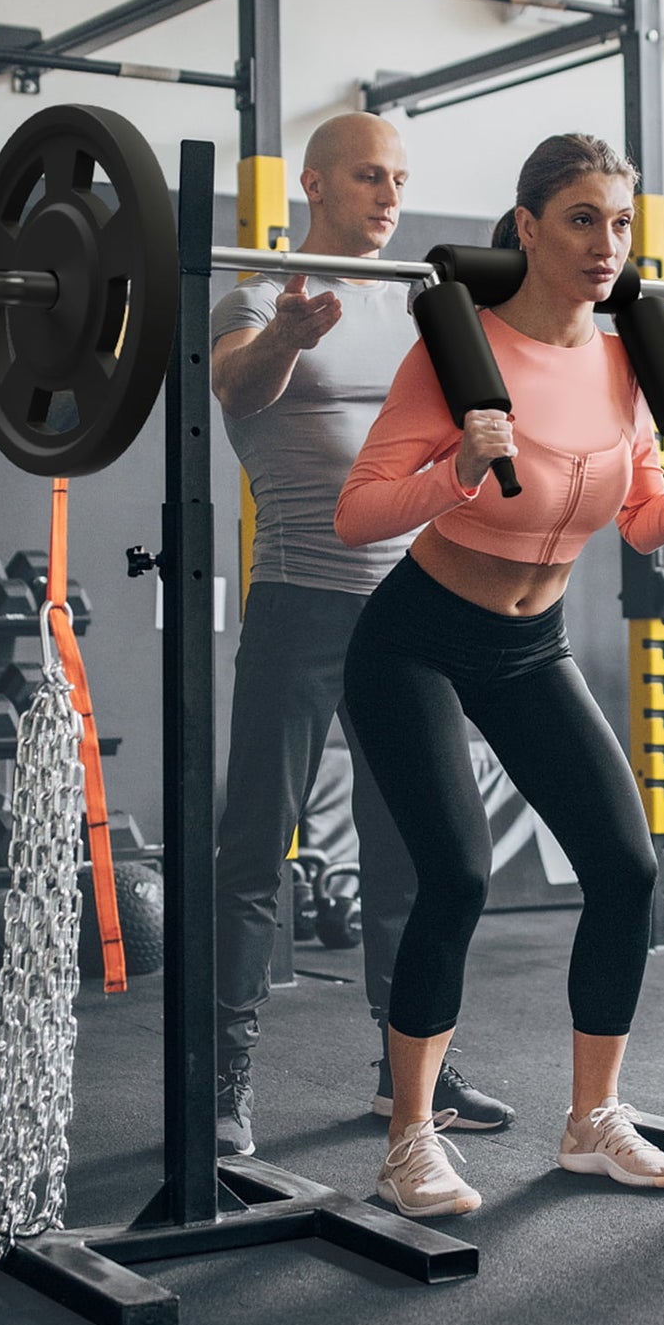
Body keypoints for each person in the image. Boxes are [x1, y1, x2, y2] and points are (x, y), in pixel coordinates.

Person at [335, 132, 664, 1218]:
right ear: (525, 227)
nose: (605, 243)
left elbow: (644, 523)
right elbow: (356, 509)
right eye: (580, 218)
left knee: (624, 865)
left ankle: (590, 1119)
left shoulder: (627, 370)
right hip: (413, 635)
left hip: (530, 645)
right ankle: (409, 1137)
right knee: (455, 875)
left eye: (619, 222)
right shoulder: (457, 357)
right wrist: (454, 469)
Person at [208, 112, 514, 1159]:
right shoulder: (253, 295)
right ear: (313, 184)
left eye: (398, 179)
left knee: (413, 853)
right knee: (255, 846)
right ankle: (223, 1079)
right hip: (299, 597)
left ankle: (407, 1071)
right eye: (366, 176)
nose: (389, 195)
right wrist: (290, 339)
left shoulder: (424, 309)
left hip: (411, 606)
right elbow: (235, 386)